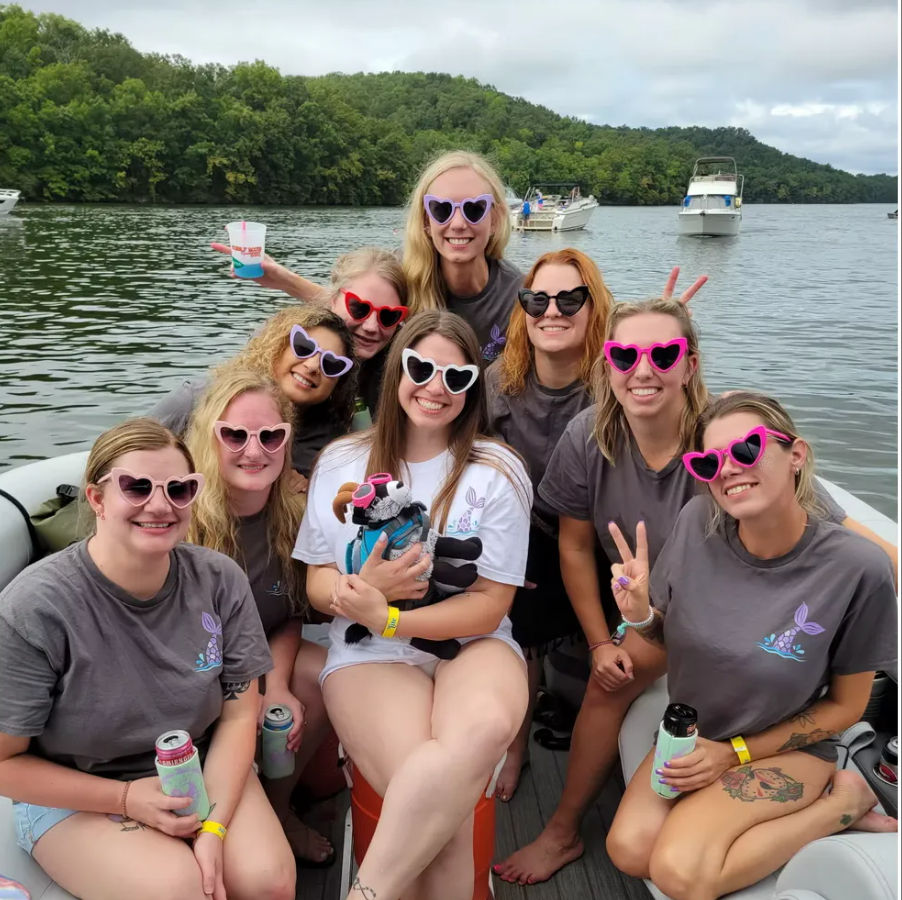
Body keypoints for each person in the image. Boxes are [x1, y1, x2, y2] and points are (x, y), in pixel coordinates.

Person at [605, 391, 897, 900]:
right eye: (709, 461)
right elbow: (667, 640)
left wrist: (733, 755)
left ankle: (840, 805)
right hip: (697, 736)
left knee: (679, 873)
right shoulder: (696, 525)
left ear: (796, 455)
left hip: (789, 747)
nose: (728, 470)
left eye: (747, 450)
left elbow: (847, 707)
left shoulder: (856, 569)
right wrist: (640, 616)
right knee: (629, 849)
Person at [0, 418, 294, 900]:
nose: (159, 505)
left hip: (191, 767)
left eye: (179, 488)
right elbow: (5, 764)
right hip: (75, 790)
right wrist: (126, 799)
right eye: (136, 487)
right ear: (96, 499)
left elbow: (241, 714)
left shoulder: (219, 580)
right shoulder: (36, 608)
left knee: (269, 882)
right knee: (181, 890)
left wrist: (213, 829)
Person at [294, 311, 533, 900]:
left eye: (456, 377)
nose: (435, 387)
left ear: (474, 387)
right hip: (369, 651)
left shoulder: (497, 471)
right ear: (398, 366)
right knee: (433, 798)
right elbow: (317, 583)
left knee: (484, 729)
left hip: (471, 643)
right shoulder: (341, 464)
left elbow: (488, 606)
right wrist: (359, 595)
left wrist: (392, 614)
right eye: (421, 368)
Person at [185, 367, 334, 865]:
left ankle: (277, 807)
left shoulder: (292, 516)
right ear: (211, 438)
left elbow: (288, 613)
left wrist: (281, 686)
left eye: (271, 435)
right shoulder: (183, 521)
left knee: (320, 675)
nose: (255, 450)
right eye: (236, 435)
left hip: (255, 663)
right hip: (193, 678)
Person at [485, 248, 614, 801]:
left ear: (594, 308)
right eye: (537, 299)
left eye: (570, 298)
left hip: (604, 539)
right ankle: (516, 745)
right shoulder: (499, 383)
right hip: (531, 536)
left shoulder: (617, 382)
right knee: (518, 600)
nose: (551, 310)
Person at [151, 305, 357, 490]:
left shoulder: (332, 444)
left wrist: (302, 490)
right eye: (304, 347)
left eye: (332, 364)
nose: (313, 366)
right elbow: (126, 452)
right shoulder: (196, 399)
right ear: (277, 346)